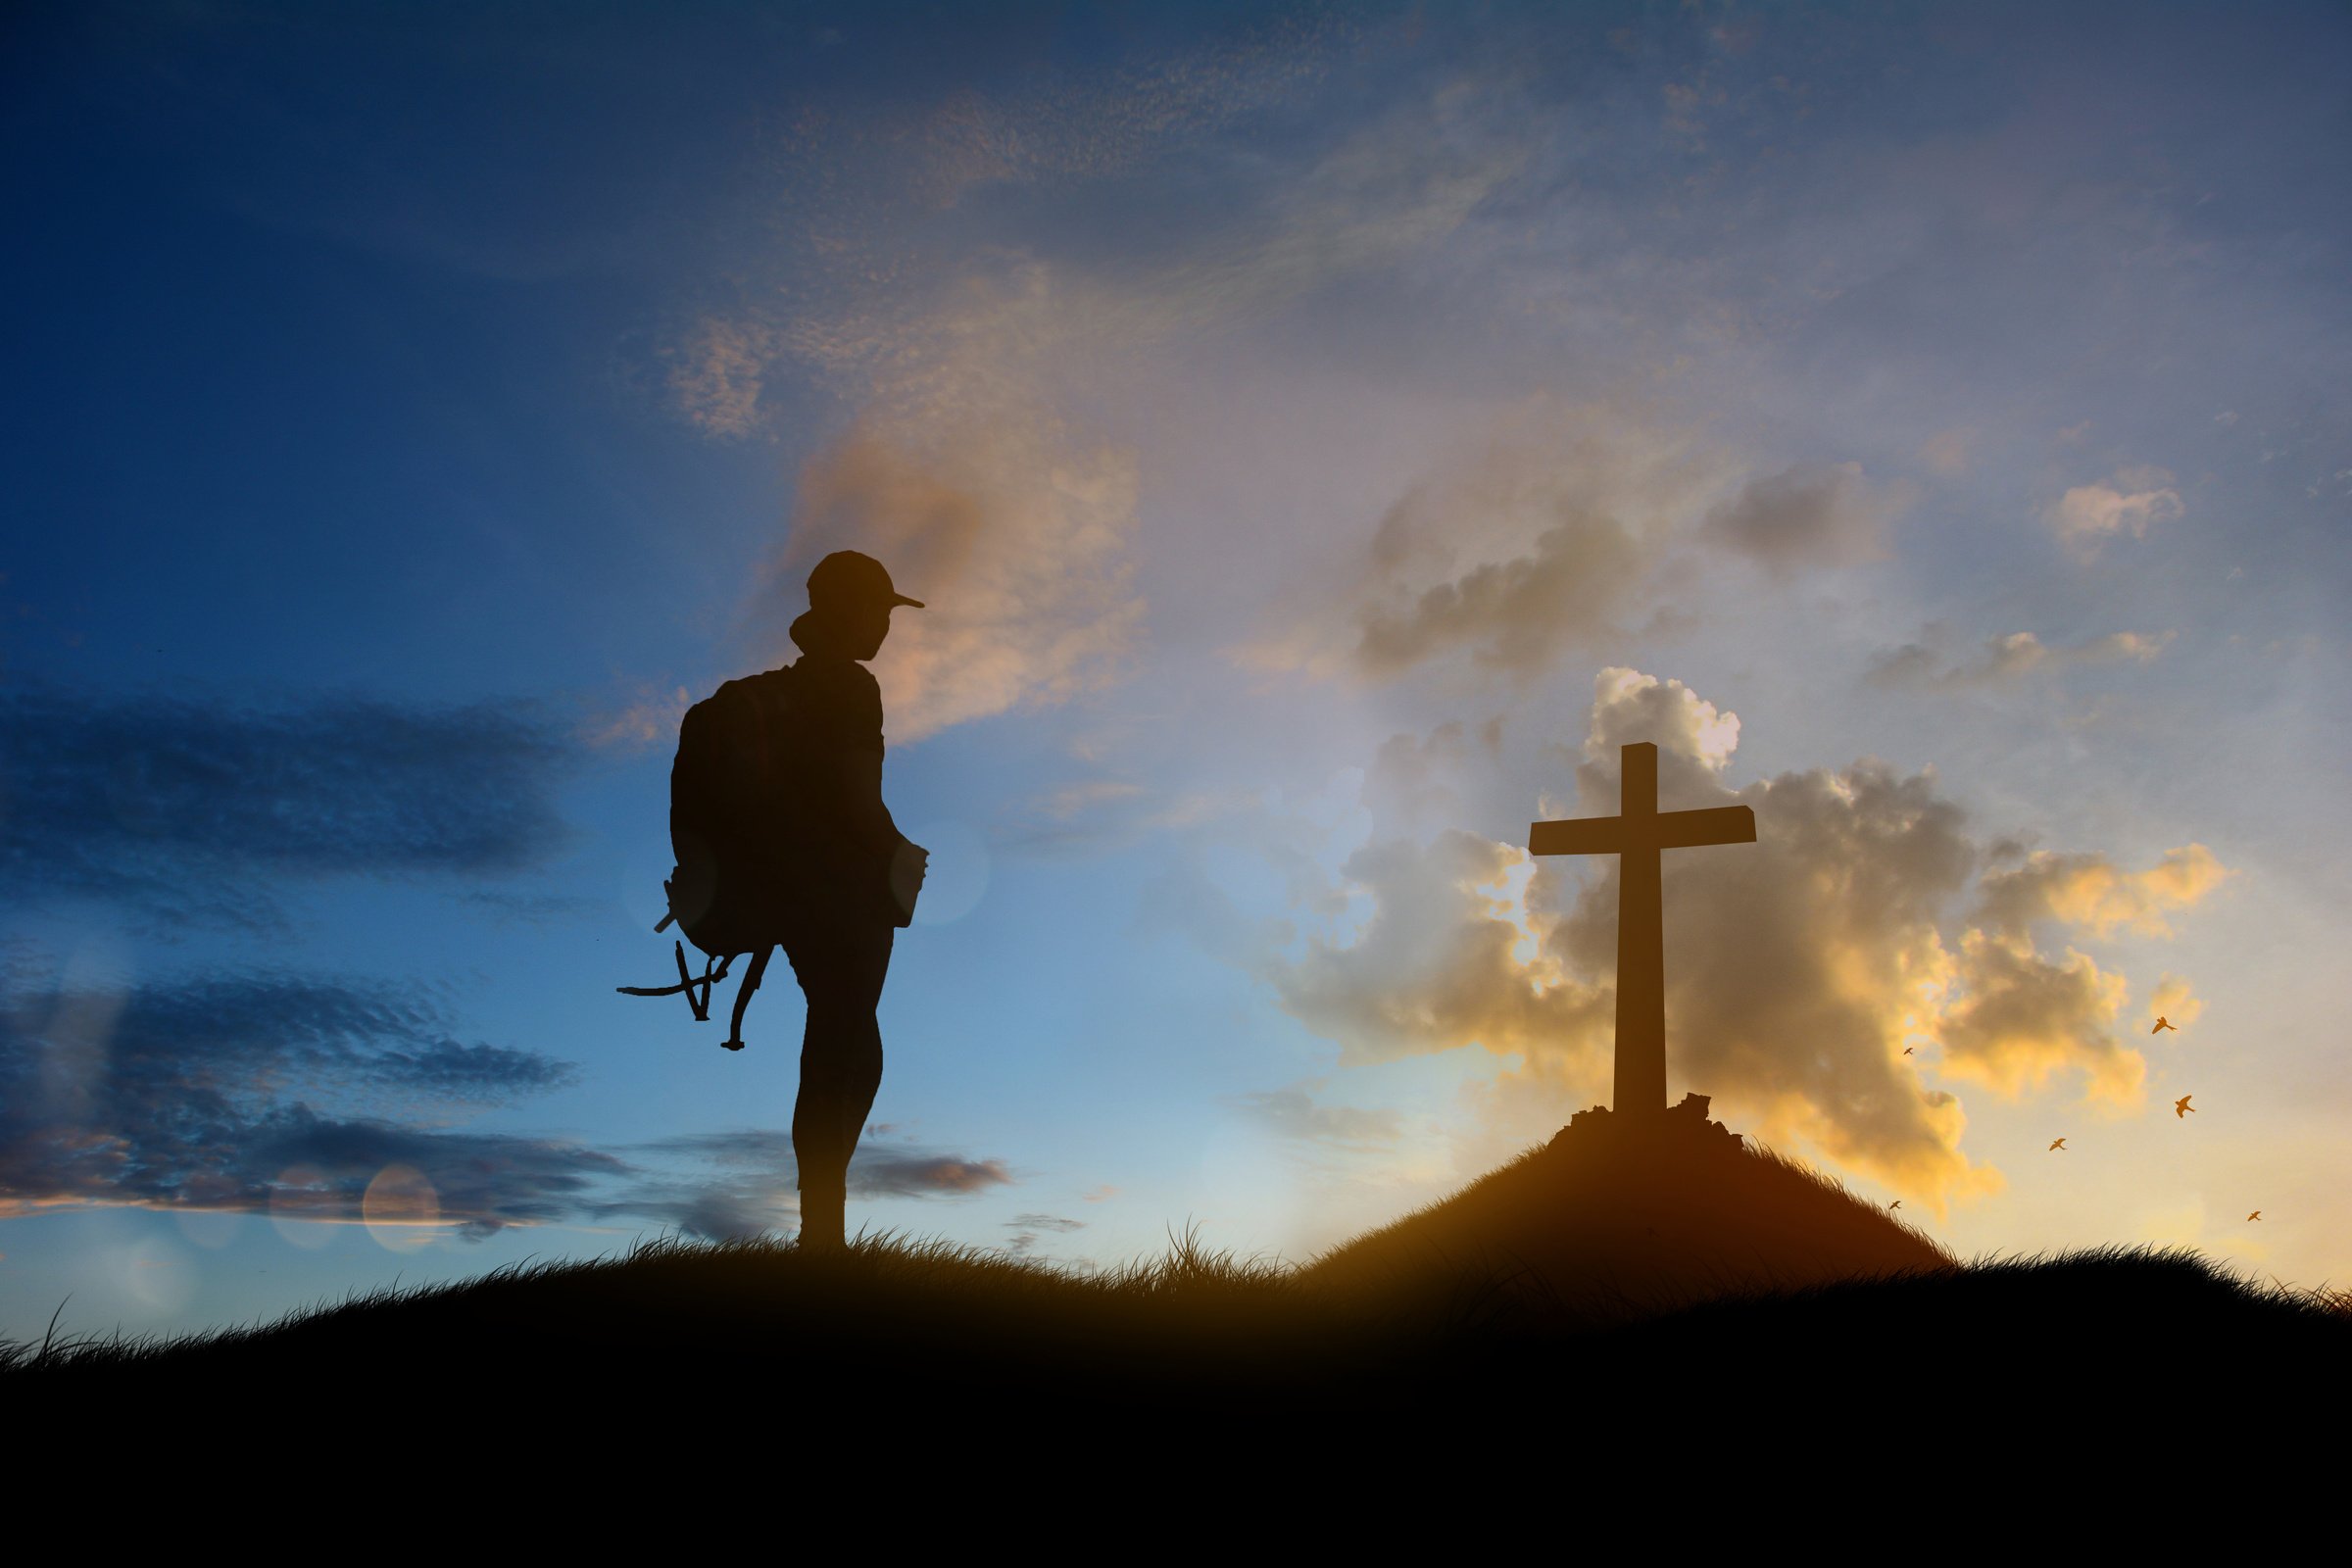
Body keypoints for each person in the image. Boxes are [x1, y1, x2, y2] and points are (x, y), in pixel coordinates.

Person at [772, 550, 928, 1250]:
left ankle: (820, 1229)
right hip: (843, 894)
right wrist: (902, 850)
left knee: (829, 1038)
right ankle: (822, 1239)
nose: (885, 627)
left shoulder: (786, 691)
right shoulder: (852, 688)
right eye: (879, 610)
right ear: (848, 612)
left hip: (788, 890)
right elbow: (860, 802)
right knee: (851, 1045)